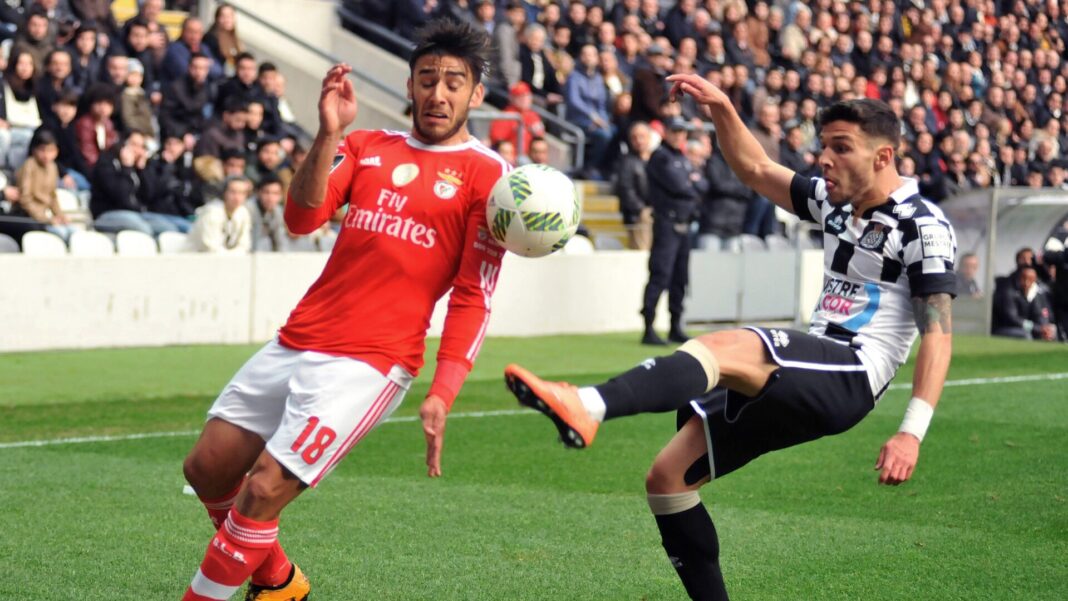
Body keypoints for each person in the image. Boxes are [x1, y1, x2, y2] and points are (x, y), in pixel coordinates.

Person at [504, 78, 957, 601]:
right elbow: (757, 168)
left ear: (884, 156)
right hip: (808, 374)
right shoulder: (836, 203)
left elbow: (938, 335)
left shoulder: (922, 225)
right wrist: (722, 108)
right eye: (823, 146)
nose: (824, 159)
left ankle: (587, 403)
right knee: (668, 480)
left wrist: (911, 432)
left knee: (727, 347)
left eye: (840, 148)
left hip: (852, 373)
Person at [178, 20, 509, 601]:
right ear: (409, 86)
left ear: (475, 95)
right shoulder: (366, 146)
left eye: (454, 82)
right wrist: (329, 133)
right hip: (301, 336)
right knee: (206, 468)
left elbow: (473, 294)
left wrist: (444, 388)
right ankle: (278, 583)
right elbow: (301, 219)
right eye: (427, 79)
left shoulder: (487, 176)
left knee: (262, 490)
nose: (439, 93)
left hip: (371, 362)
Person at [641, 117, 704, 345]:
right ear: (666, 132)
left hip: (684, 224)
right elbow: (680, 186)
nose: (679, 136)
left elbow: (702, 185)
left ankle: (675, 325)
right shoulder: (660, 157)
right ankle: (648, 327)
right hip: (667, 223)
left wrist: (692, 184)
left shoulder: (680, 157)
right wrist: (692, 183)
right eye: (675, 131)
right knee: (660, 274)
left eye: (682, 132)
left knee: (680, 278)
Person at [12, 129, 73, 241]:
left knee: (73, 232)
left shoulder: (53, 167)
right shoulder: (29, 166)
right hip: (29, 217)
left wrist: (60, 216)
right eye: (42, 150)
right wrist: (46, 219)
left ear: (56, 152)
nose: (46, 155)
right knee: (61, 234)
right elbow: (25, 199)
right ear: (34, 150)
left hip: (45, 217)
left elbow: (52, 197)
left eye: (50, 151)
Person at [186, 175, 253, 253]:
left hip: (227, 259)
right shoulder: (212, 212)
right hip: (194, 257)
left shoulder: (243, 212)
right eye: (233, 192)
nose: (237, 197)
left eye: (242, 193)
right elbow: (211, 248)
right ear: (224, 192)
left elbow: (244, 245)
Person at [614, 120, 653, 250]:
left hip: (660, 215)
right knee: (642, 252)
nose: (639, 140)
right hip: (638, 216)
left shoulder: (657, 159)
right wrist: (642, 210)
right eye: (634, 137)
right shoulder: (627, 162)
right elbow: (625, 189)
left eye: (642, 136)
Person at [991, 266, 1055, 340]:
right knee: (1026, 336)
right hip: (1005, 329)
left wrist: (1044, 328)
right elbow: (1013, 319)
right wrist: (1038, 328)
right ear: (1019, 278)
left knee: (1051, 334)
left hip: (1029, 328)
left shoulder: (1037, 295)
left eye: (1030, 280)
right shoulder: (1009, 293)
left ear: (1035, 280)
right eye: (1024, 278)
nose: (1026, 283)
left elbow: (1041, 314)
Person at [488, 81, 545, 156]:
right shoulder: (506, 116)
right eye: (520, 96)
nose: (524, 99)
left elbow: (540, 137)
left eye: (526, 96)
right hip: (513, 159)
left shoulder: (533, 116)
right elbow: (497, 142)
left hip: (530, 157)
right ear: (512, 98)